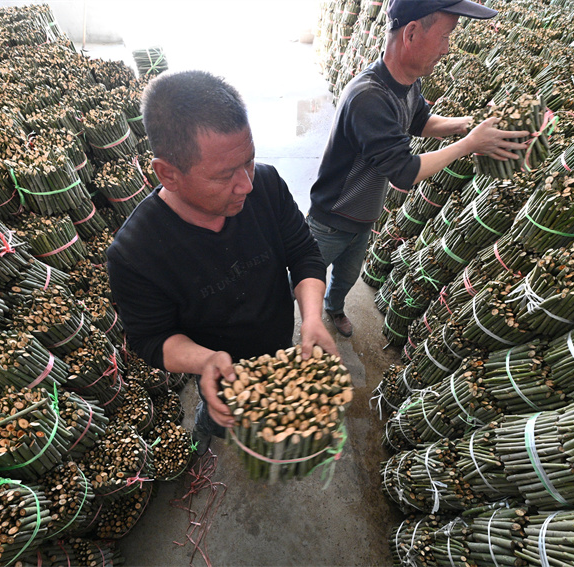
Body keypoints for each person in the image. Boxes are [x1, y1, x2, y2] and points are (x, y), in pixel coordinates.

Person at [107, 70, 338, 454]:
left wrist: (312, 317)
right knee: (222, 417)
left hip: (277, 342)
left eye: (248, 161)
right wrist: (207, 360)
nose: (246, 184)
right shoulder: (135, 252)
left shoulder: (265, 185)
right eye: (224, 176)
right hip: (217, 366)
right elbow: (150, 339)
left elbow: (304, 253)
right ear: (169, 173)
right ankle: (205, 424)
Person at [308, 0, 529, 338]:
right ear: (411, 33)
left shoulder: (407, 81)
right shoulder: (369, 97)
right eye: (444, 36)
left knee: (347, 277)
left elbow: (420, 121)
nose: (447, 48)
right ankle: (288, 325)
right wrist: (470, 144)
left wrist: (468, 125)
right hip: (332, 219)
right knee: (306, 278)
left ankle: (334, 309)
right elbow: (404, 172)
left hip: (363, 217)